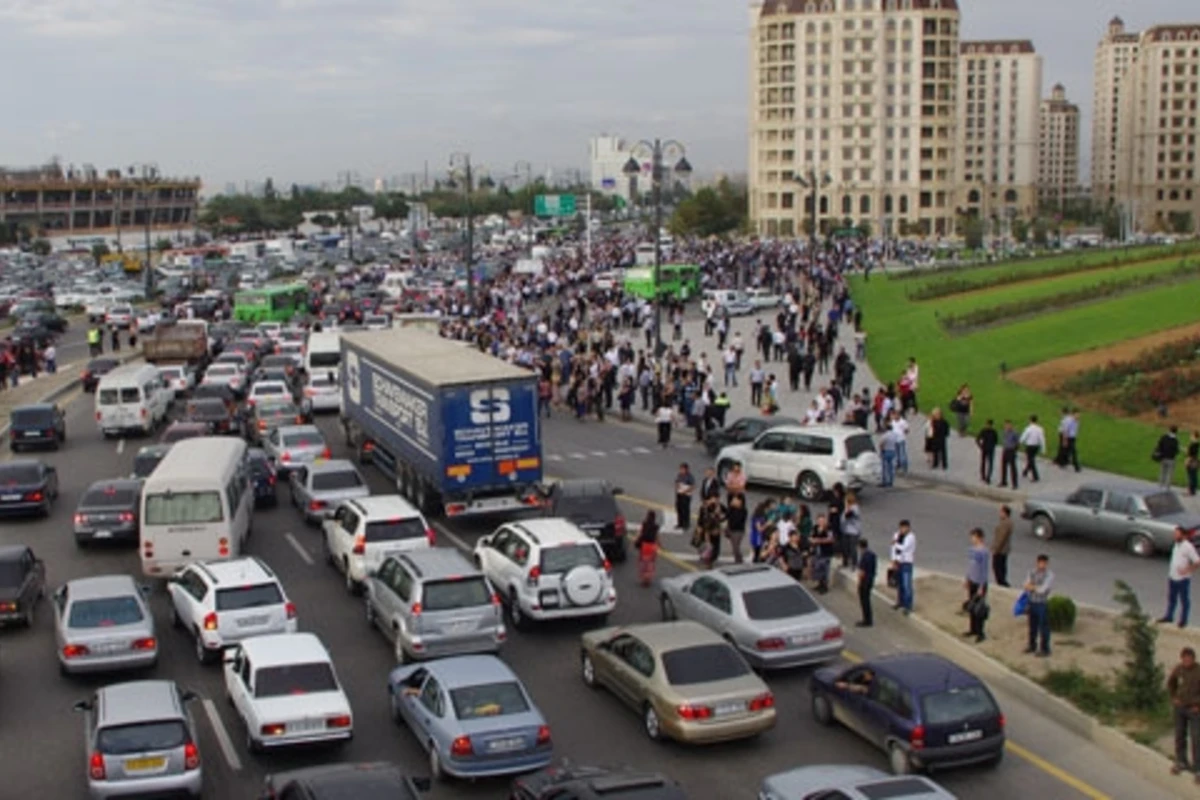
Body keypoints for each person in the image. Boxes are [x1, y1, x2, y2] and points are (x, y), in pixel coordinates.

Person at [1168, 647, 1200, 783]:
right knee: (1180, 735)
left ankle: (1198, 768)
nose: (1187, 661)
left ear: (1193, 659)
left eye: (1189, 658)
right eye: (1184, 658)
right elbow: (1171, 683)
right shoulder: (1179, 669)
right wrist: (1174, 697)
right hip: (1180, 707)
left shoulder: (1199, 671)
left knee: (1196, 738)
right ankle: (1181, 762)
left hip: (1194, 710)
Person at [1160, 525, 1200, 628]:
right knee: (1171, 598)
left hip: (1183, 579)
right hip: (1172, 576)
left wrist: (1186, 570)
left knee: (1184, 600)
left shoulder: (1188, 547)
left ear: (1183, 535)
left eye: (1177, 534)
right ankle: (1169, 616)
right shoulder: (1176, 545)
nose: (1174, 535)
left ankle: (1183, 620)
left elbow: (1197, 561)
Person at [1024, 554, 1054, 657]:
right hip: (1032, 601)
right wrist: (1034, 587)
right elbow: (1026, 585)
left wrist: (1033, 587)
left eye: (1044, 563)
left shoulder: (1049, 575)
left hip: (1042, 603)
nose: (1042, 565)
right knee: (1032, 626)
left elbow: (1043, 590)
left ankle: (1045, 649)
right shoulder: (1031, 572)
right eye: (1040, 563)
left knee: (1044, 627)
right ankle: (1032, 645)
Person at [964, 528, 990, 643]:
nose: (972, 539)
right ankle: (972, 629)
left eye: (973, 537)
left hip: (980, 583)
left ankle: (981, 632)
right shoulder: (972, 550)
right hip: (972, 581)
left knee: (979, 608)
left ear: (979, 537)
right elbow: (970, 566)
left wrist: (981, 586)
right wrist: (967, 579)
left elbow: (984, 570)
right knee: (972, 606)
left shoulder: (983, 552)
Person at [891, 520, 916, 614]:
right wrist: (894, 560)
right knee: (900, 584)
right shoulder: (897, 535)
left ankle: (908, 606)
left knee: (907, 585)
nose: (902, 529)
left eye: (904, 527)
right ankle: (900, 602)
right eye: (901, 527)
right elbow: (893, 549)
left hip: (906, 562)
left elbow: (904, 548)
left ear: (908, 528)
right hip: (898, 561)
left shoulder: (911, 537)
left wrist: (895, 543)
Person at [635, 511, 660, 587]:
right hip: (652, 547)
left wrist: (636, 541)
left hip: (644, 546)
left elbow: (640, 534)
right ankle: (648, 580)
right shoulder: (656, 527)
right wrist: (659, 545)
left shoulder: (644, 525)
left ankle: (644, 580)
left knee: (643, 563)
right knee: (650, 564)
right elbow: (657, 537)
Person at [992, 505, 1014, 587]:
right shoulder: (1007, 522)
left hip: (1001, 549)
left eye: (1001, 512)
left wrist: (996, 549)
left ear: (1005, 513)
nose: (1000, 514)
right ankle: (1002, 581)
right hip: (1004, 549)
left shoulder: (1005, 523)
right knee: (1002, 565)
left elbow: (1001, 537)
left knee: (997, 566)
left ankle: (1001, 582)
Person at [856, 538, 877, 627]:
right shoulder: (872, 555)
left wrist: (859, 582)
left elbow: (862, 572)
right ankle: (869, 619)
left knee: (864, 601)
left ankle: (866, 620)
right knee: (867, 600)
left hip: (865, 581)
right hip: (871, 579)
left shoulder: (864, 556)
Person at [1019, 414, 1045, 482]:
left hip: (1030, 446)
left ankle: (1035, 476)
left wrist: (1020, 442)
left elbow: (1023, 437)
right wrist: (1043, 449)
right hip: (1036, 447)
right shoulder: (1040, 429)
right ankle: (1025, 471)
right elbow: (1042, 439)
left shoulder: (1028, 429)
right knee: (1031, 459)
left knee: (1031, 460)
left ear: (1030, 420)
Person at [725, 493, 748, 564]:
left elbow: (738, 520)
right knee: (734, 547)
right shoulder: (732, 508)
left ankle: (739, 560)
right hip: (731, 529)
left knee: (736, 547)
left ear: (740, 501)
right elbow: (727, 516)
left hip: (738, 531)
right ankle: (737, 560)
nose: (733, 501)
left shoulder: (743, 510)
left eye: (736, 499)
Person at [673, 463, 694, 532]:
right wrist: (677, 487)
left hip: (686, 495)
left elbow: (692, 486)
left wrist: (684, 491)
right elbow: (676, 482)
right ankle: (680, 523)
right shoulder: (679, 475)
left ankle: (686, 524)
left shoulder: (690, 477)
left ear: (686, 469)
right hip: (679, 494)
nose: (681, 470)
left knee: (685, 510)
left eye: (682, 469)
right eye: (680, 469)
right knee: (679, 508)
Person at [999, 419, 1020, 489]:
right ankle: (1003, 481)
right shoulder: (1004, 432)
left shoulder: (1014, 433)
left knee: (1013, 467)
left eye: (1008, 425)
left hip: (1011, 450)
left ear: (1011, 425)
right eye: (1005, 425)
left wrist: (1015, 450)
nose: (1007, 427)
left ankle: (1015, 484)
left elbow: (1017, 443)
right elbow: (1003, 440)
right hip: (1005, 450)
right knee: (1003, 466)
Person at [976, 418, 998, 485]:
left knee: (989, 463)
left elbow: (996, 441)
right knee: (984, 462)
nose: (987, 426)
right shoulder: (985, 431)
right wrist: (980, 446)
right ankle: (983, 476)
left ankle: (987, 477)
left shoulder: (992, 432)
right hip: (986, 449)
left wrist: (981, 446)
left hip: (989, 449)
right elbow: (978, 439)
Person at [1188, 431, 1200, 497]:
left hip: (1192, 461)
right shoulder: (1197, 444)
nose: (1190, 437)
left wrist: (1188, 460)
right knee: (1194, 476)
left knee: (1191, 476)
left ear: (1194, 436)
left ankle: (1191, 491)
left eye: (1191, 435)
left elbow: (1190, 454)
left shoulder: (1193, 444)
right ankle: (1193, 490)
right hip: (1195, 461)